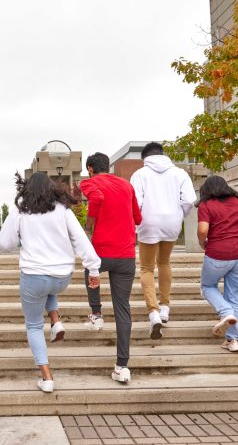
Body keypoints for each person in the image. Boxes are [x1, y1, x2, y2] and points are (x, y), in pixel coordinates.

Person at [0, 172, 101, 393]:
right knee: (48, 286)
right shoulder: (62, 209)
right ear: (52, 188)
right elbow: (80, 239)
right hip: (61, 278)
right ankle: (56, 322)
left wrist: (22, 235)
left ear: (27, 189)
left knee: (34, 325)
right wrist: (93, 268)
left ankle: (46, 377)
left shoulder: (21, 208)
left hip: (35, 277)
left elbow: (4, 244)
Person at [79, 152, 141, 383]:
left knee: (89, 270)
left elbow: (95, 199)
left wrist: (89, 225)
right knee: (123, 308)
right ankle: (122, 366)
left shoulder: (89, 182)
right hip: (125, 254)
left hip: (101, 252)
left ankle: (96, 313)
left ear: (90, 168)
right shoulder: (126, 185)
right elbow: (138, 218)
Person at [129, 142, 196, 339]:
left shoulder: (140, 174)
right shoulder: (180, 173)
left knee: (147, 268)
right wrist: (178, 215)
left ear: (145, 158)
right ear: (162, 154)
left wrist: (137, 222)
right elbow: (190, 199)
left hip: (148, 222)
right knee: (165, 262)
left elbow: (136, 201)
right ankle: (165, 306)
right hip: (171, 222)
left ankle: (153, 311)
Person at [197, 175, 238, 353]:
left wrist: (202, 242)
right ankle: (232, 341)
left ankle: (225, 312)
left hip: (219, 254)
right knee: (235, 298)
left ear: (206, 191)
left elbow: (203, 229)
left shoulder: (206, 205)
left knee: (207, 286)